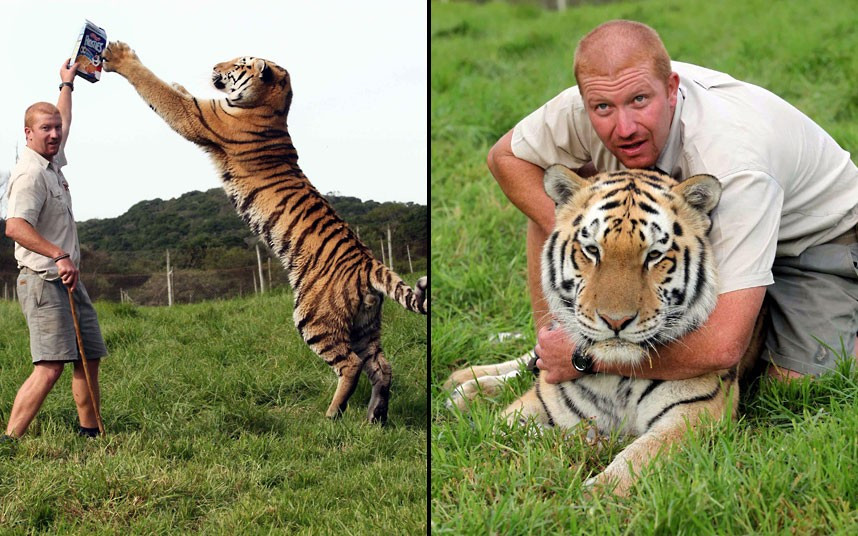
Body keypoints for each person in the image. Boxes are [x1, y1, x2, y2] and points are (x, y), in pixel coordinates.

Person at [487, 20, 858, 384]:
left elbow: (722, 348)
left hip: (817, 240)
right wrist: (587, 244)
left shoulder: (735, 163)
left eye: (639, 100)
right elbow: (506, 158)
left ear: (670, 89)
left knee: (792, 382)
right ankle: (548, 346)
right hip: (678, 234)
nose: (625, 126)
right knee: (565, 209)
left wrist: (582, 359)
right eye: (602, 108)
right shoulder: (598, 94)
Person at [1, 60, 108, 441]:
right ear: (27, 133)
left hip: (69, 280)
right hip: (43, 278)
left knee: (87, 357)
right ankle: (9, 441)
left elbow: (63, 117)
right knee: (50, 366)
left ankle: (90, 434)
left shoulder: (50, 161)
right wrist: (58, 253)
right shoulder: (29, 173)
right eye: (45, 129)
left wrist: (68, 83)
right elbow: (15, 227)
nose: (54, 133)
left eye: (56, 129)